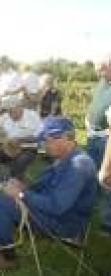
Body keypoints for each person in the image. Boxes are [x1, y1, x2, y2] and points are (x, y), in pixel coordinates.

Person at [0, 116, 97, 270]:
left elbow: (57, 207)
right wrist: (23, 187)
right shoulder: (64, 158)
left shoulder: (79, 165)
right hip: (54, 212)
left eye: (48, 141)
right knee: (3, 191)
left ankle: (6, 258)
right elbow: (44, 189)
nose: (45, 146)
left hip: (64, 222)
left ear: (66, 137)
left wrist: (21, 195)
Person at [0, 95, 42, 191]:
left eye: (12, 112)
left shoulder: (33, 116)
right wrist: (2, 133)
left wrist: (22, 141)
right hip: (10, 147)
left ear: (19, 107)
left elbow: (40, 141)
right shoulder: (6, 117)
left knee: (18, 164)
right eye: (8, 112)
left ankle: (16, 192)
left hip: (29, 148)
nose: (10, 115)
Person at [85, 55, 111, 235]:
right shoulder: (103, 82)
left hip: (106, 138)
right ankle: (88, 208)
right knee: (91, 174)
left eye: (102, 69)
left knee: (106, 177)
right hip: (92, 136)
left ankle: (106, 222)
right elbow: (96, 102)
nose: (100, 73)